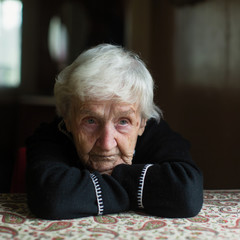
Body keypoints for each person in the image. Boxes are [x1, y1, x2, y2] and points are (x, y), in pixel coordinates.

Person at [26, 44, 203, 220]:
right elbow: (53, 198)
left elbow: (185, 193)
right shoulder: (52, 136)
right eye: (91, 121)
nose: (106, 143)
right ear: (68, 120)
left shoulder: (154, 132)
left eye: (123, 122)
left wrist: (94, 189)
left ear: (142, 123)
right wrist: (146, 190)